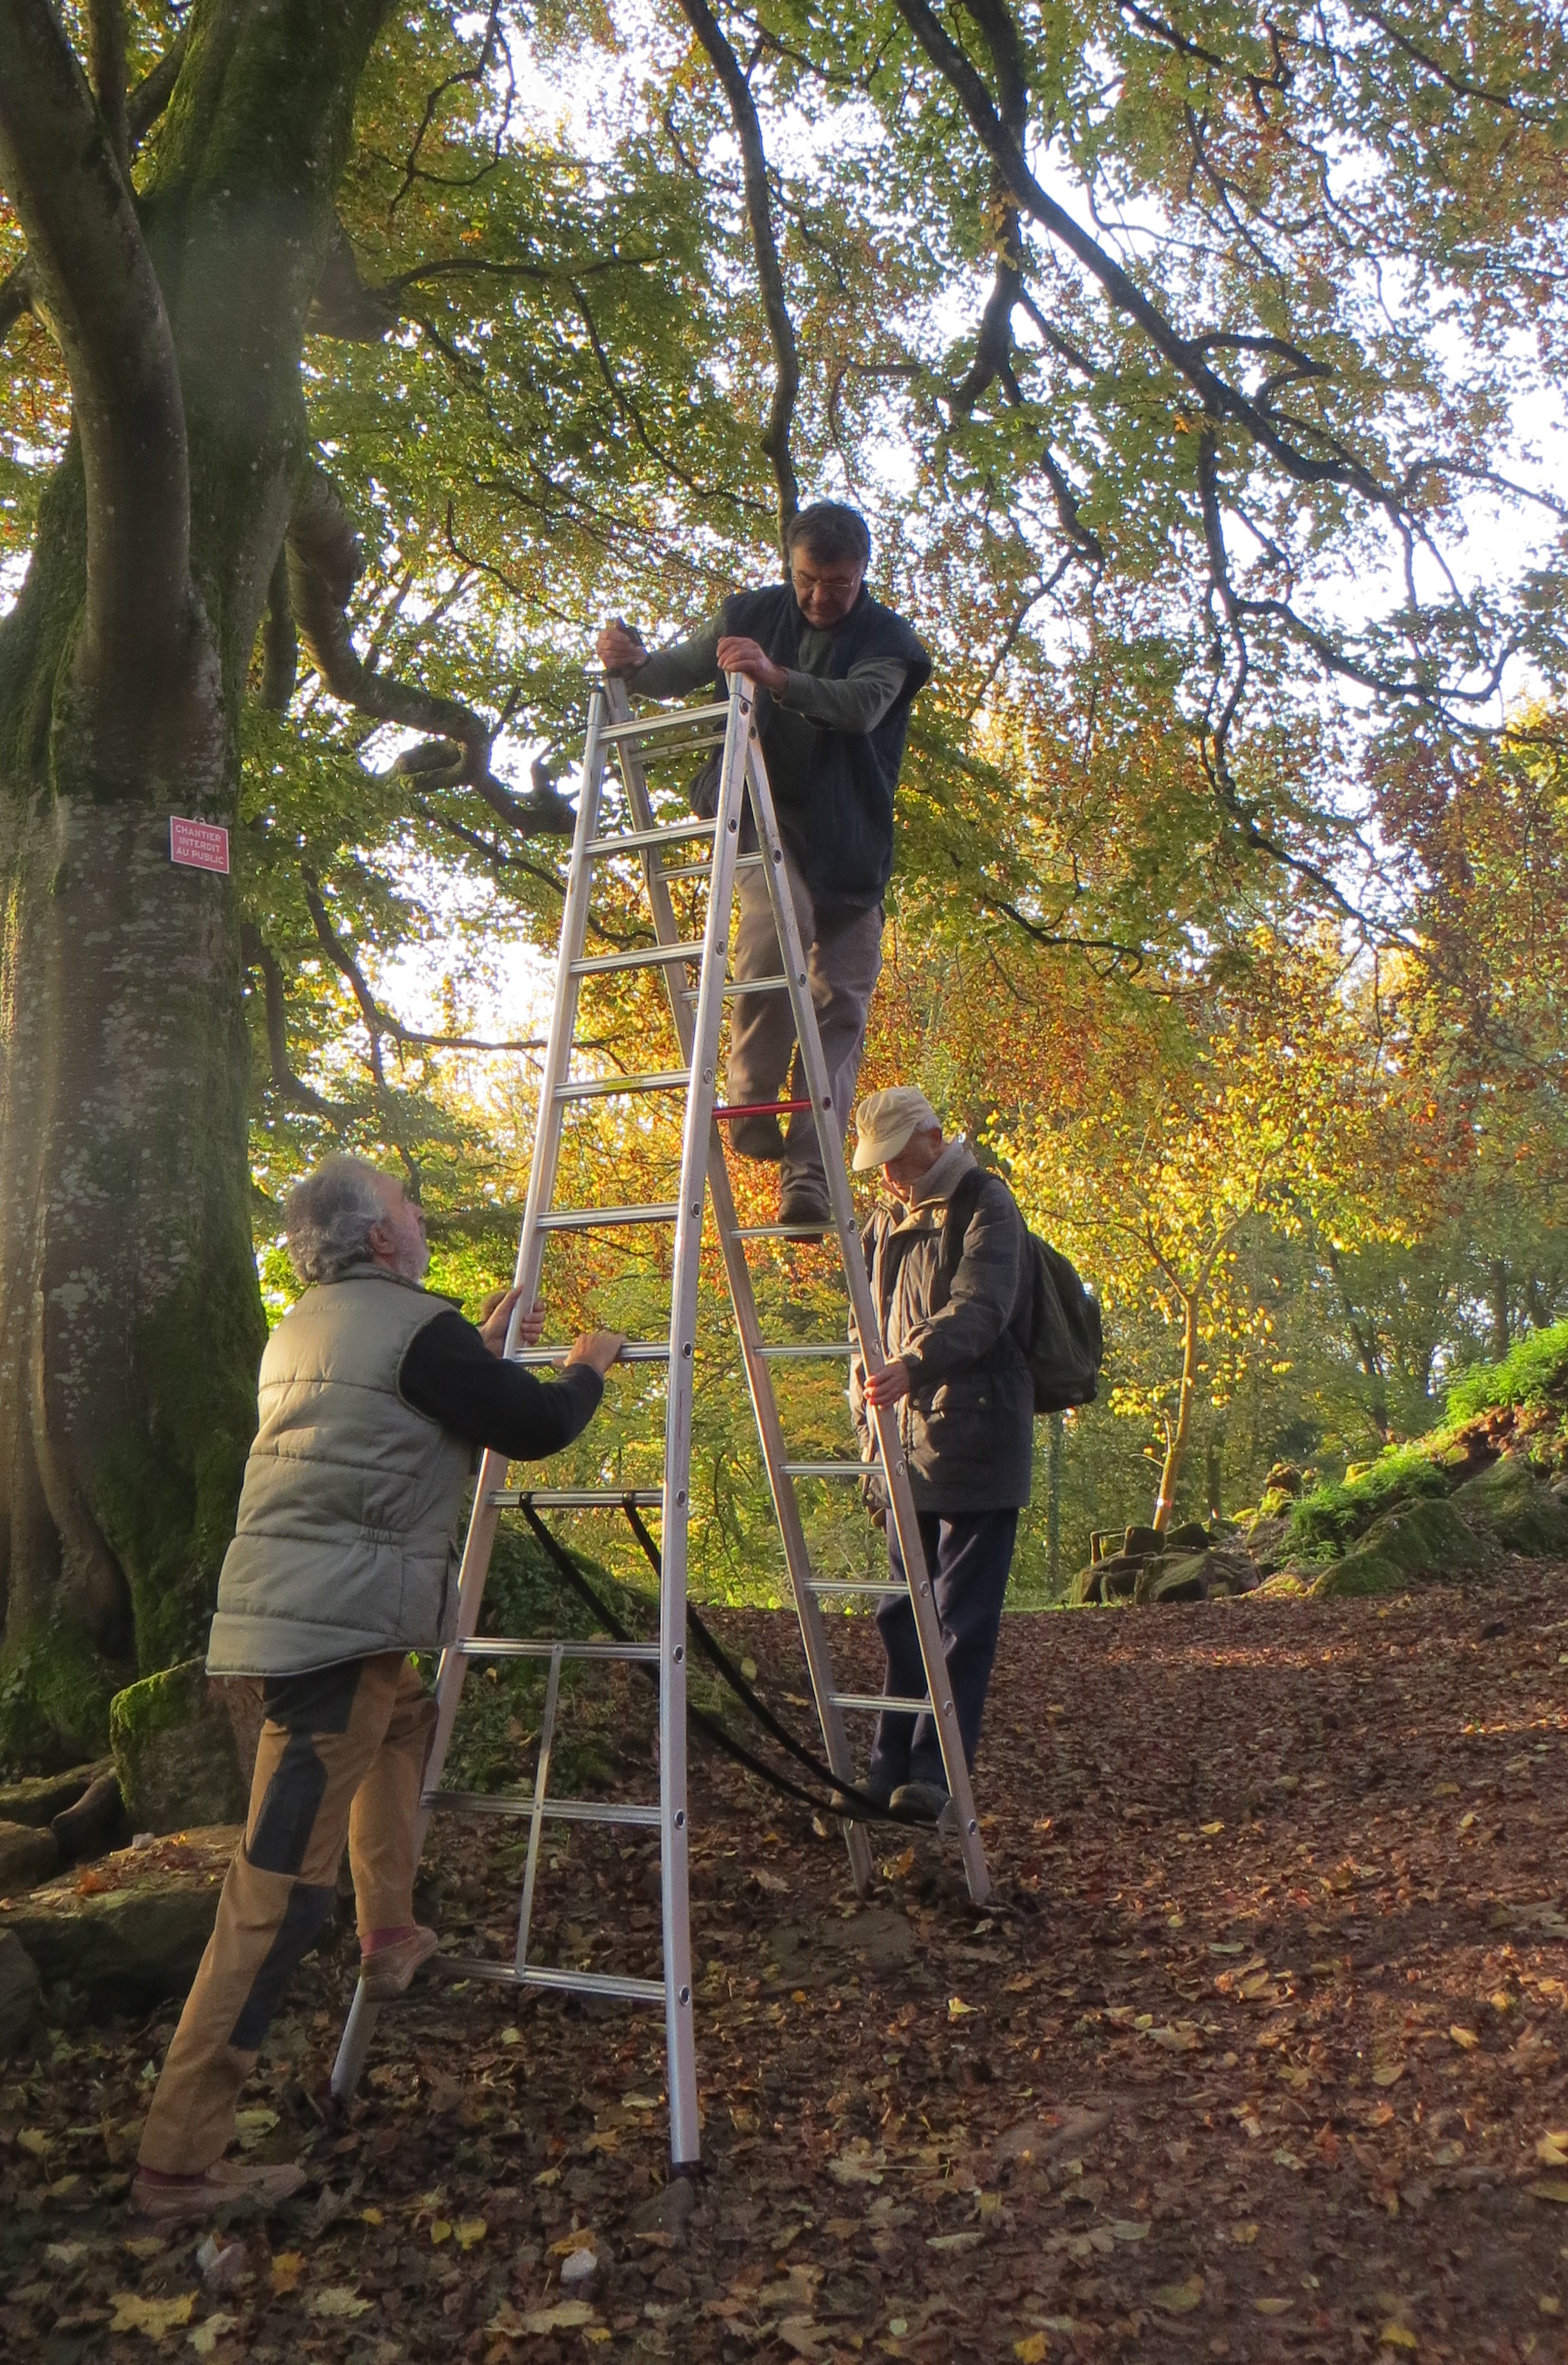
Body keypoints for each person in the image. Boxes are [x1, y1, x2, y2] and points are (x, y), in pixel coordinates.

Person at [133, 1156, 624, 2226]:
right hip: (336, 1638)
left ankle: (388, 1928)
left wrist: (476, 1348)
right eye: (409, 1205)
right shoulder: (416, 1334)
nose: (421, 1212)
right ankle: (179, 2158)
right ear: (382, 1238)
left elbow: (400, 1410)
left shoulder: (310, 1326)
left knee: (406, 1719)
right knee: (274, 1895)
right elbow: (535, 1425)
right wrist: (586, 1368)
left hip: (296, 1618)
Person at [595, 501, 933, 1232]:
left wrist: (777, 676)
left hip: (851, 843)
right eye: (808, 579)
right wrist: (632, 660)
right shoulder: (746, 614)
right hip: (755, 813)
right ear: (791, 565)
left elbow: (860, 706)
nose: (820, 597)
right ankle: (750, 1100)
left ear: (862, 572)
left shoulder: (889, 642)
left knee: (842, 1003)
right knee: (781, 921)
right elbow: (671, 670)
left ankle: (809, 1173)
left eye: (837, 584)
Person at [847, 1084, 1035, 1828]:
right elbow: (863, 1336)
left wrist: (913, 1364)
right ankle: (886, 1768)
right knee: (901, 1615)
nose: (890, 1174)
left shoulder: (987, 1202)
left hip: (979, 1444)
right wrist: (869, 1441)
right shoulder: (879, 1224)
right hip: (905, 1449)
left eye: (898, 1157)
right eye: (880, 1163)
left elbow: (981, 1307)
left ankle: (934, 1774)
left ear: (932, 1137)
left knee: (960, 1621)